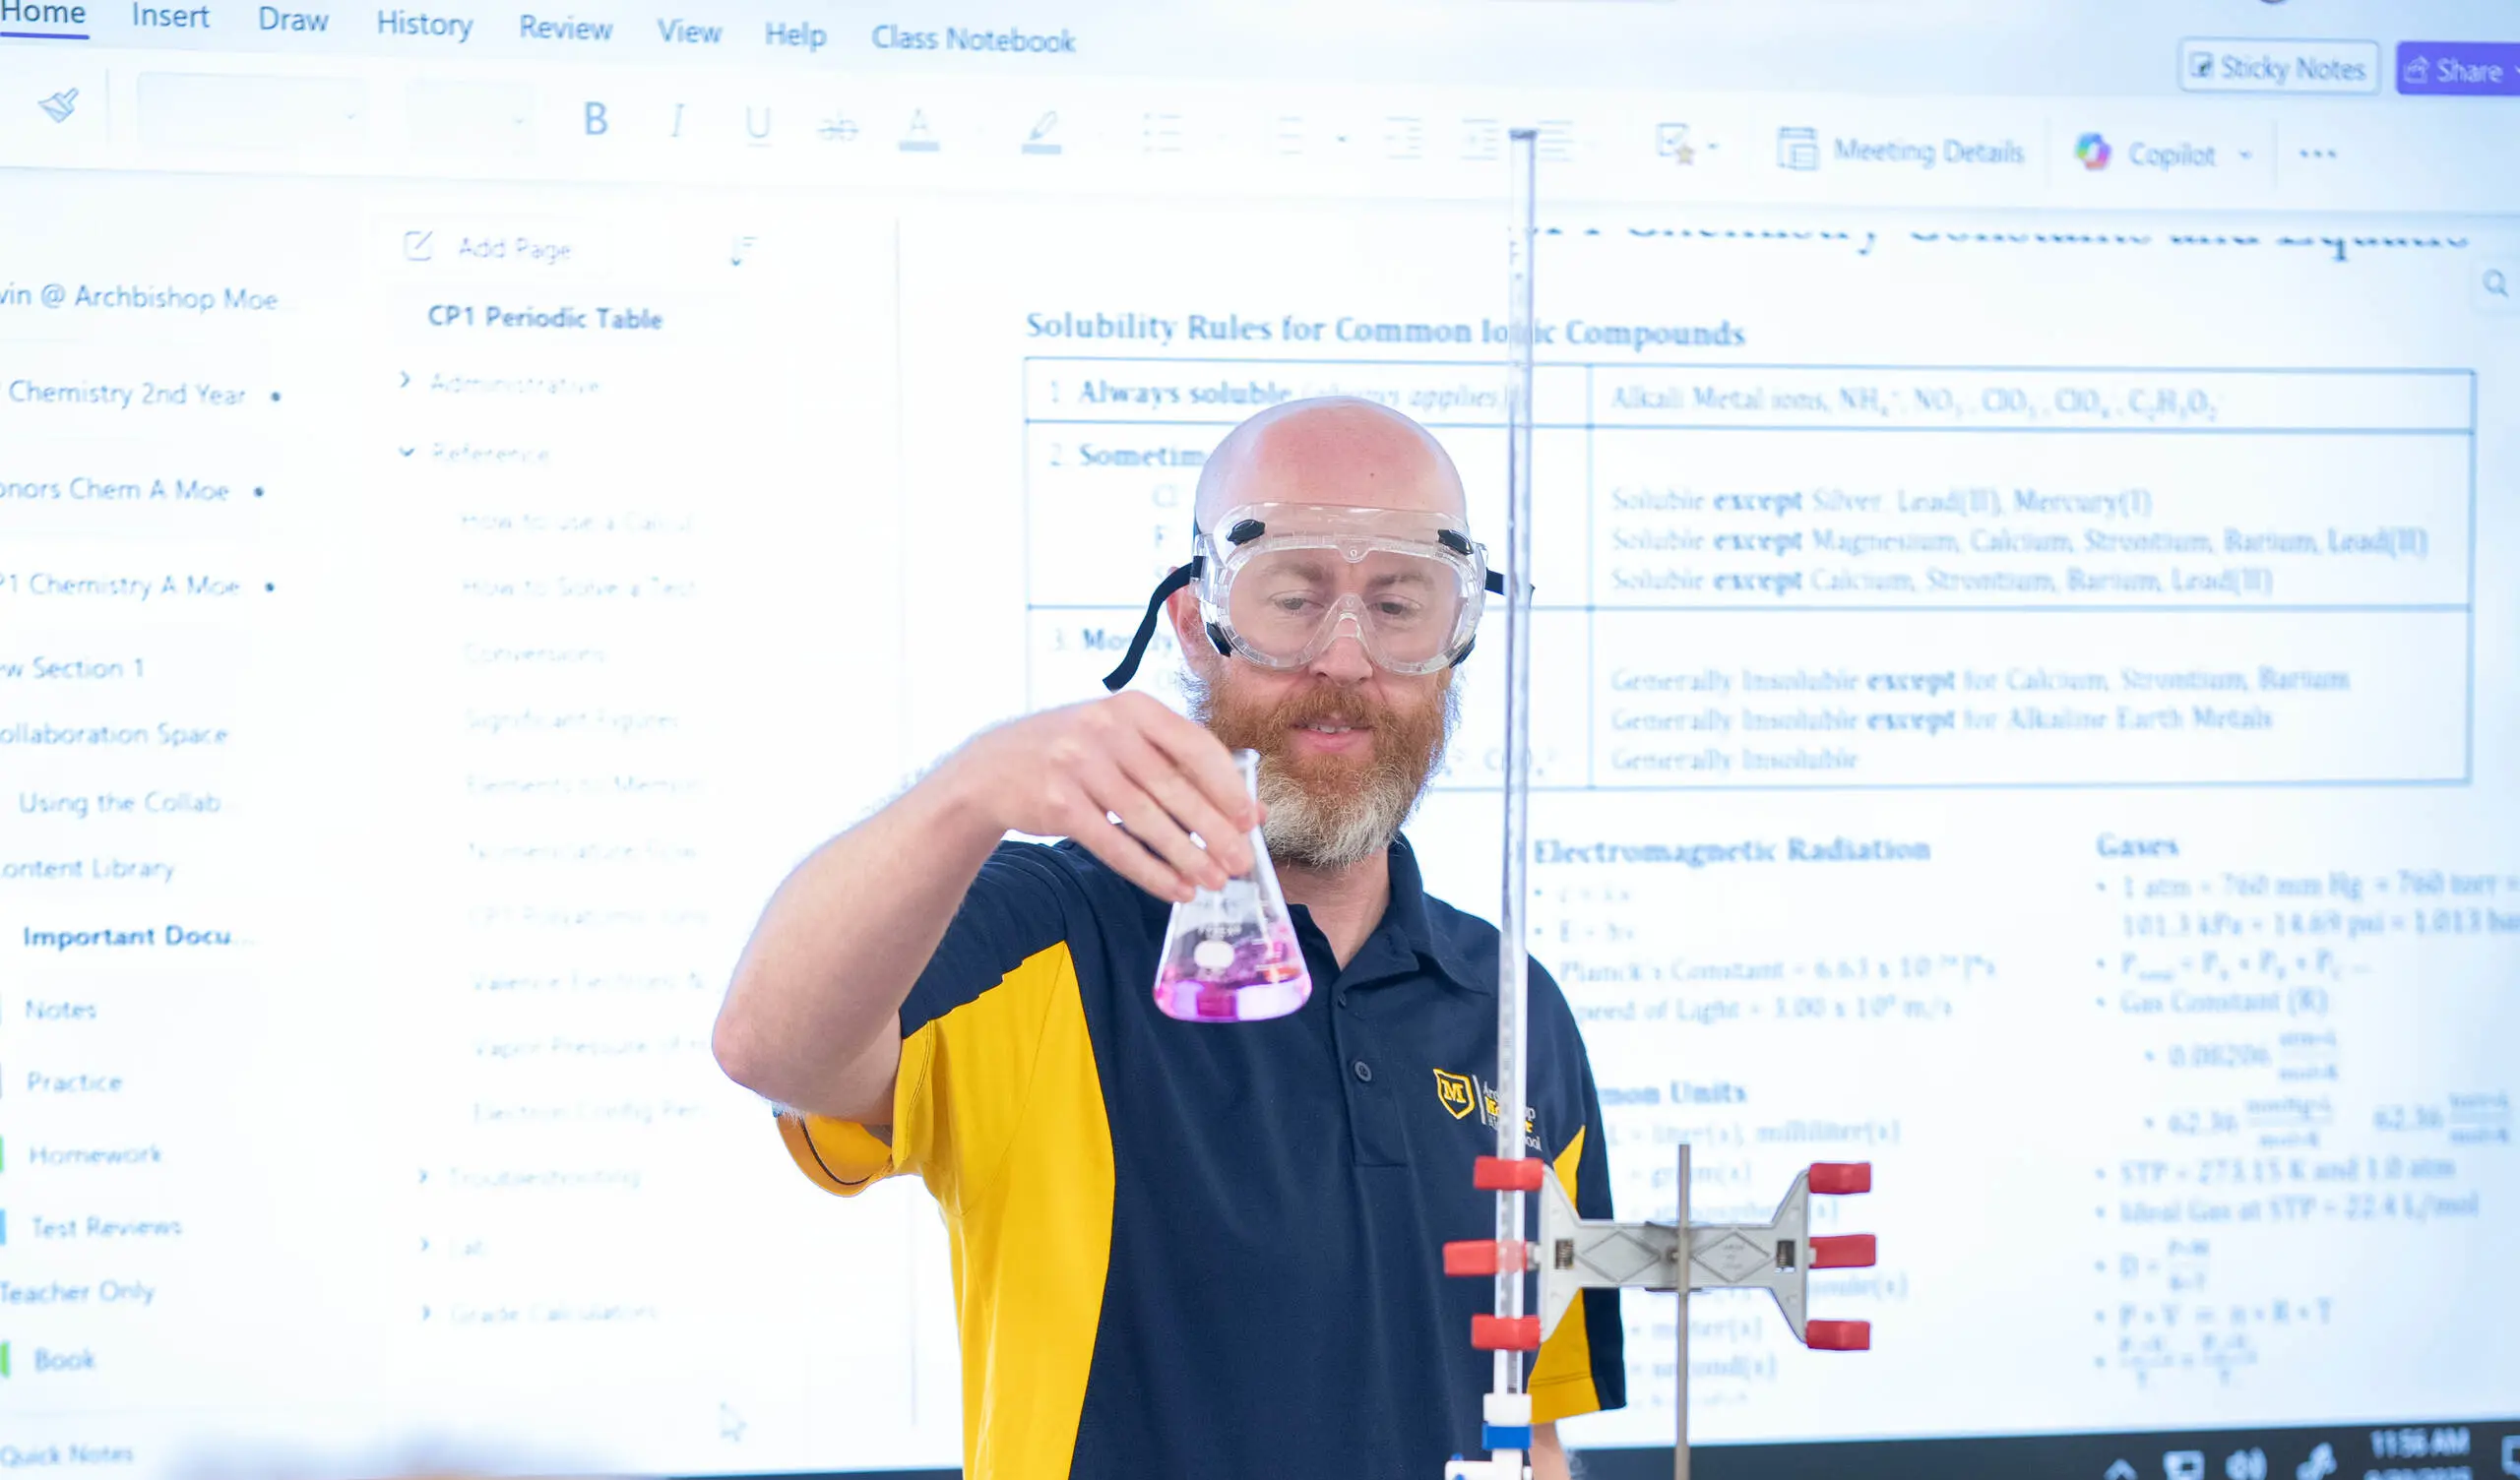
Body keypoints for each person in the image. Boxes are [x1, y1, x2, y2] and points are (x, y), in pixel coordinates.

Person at [713, 397, 1623, 1479]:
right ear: (1195, 623)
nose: (1345, 658)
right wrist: (972, 792)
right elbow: (768, 1047)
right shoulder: (1046, 933)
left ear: (1454, 640)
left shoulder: (1514, 1009)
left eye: (1397, 604)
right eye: (1292, 598)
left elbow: (1532, 1420)